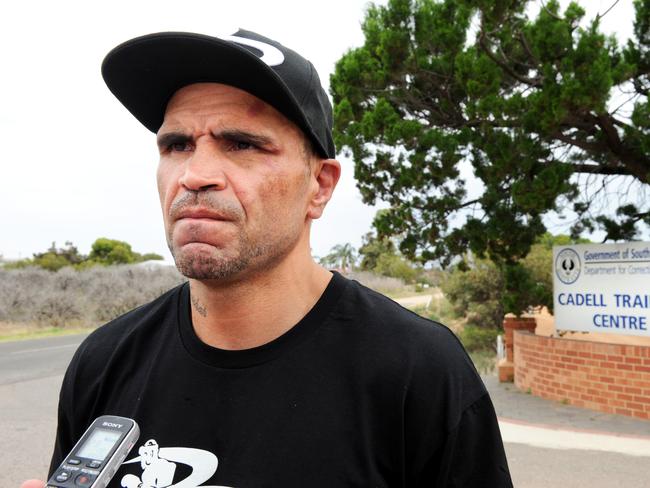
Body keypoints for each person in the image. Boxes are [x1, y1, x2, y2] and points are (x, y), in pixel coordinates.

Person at [21, 30, 512, 488]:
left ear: (319, 186)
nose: (194, 174)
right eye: (177, 144)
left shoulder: (417, 372)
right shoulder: (104, 361)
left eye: (242, 144)